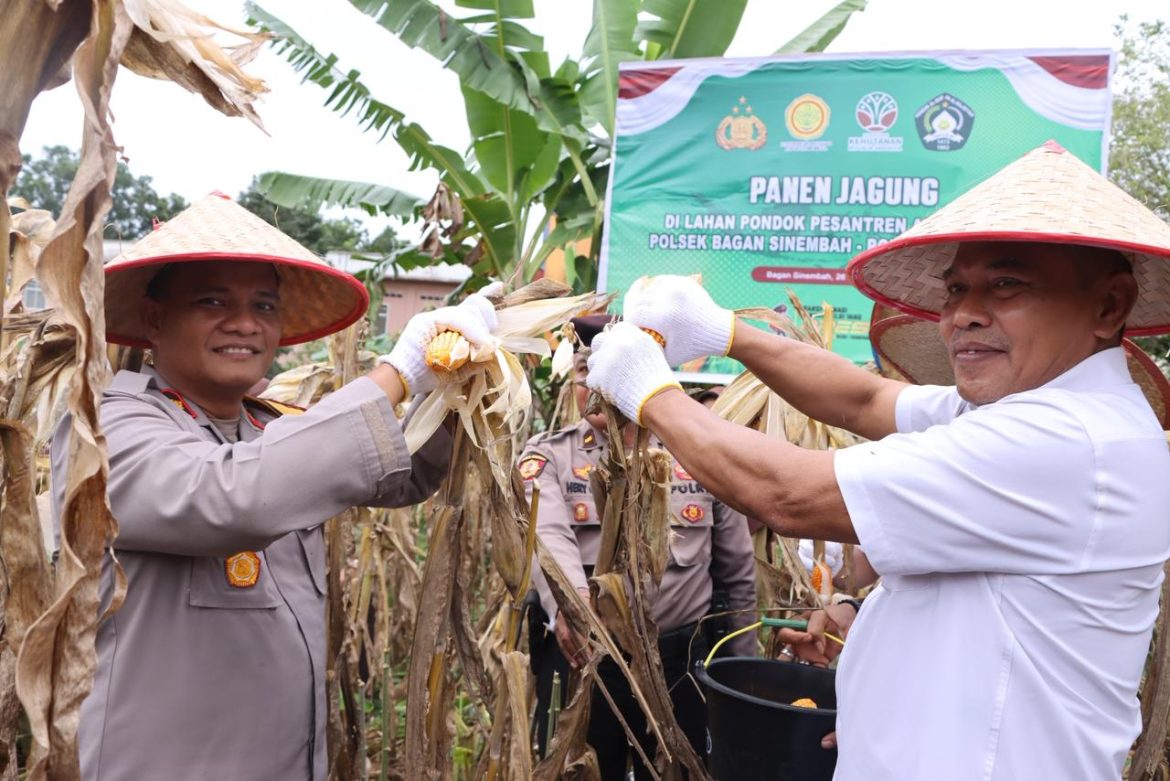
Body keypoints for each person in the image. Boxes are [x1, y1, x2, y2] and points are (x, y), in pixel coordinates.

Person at [582, 142, 1170, 779]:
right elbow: (866, 398)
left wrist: (649, 392)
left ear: (1109, 307)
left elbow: (791, 495)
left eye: (1007, 284)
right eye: (955, 291)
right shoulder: (1029, 410)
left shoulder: (1068, 441)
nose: (964, 316)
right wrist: (723, 330)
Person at [51, 193, 497, 781]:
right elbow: (230, 496)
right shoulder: (107, 428)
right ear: (155, 320)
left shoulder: (271, 425)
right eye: (213, 301)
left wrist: (458, 383)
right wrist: (396, 371)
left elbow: (407, 472)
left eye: (264, 305)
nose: (244, 323)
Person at [525, 316, 756, 780]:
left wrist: (743, 675)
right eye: (581, 375)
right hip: (588, 662)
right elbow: (547, 537)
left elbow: (737, 573)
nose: (591, 386)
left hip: (680, 665)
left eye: (603, 373)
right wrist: (574, 608)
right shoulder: (549, 456)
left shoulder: (699, 454)